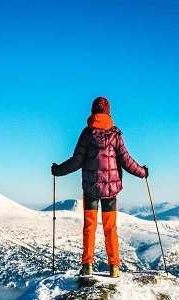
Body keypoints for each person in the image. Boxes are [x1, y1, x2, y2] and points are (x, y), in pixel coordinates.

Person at [51, 96, 148, 278]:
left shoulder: (86, 134)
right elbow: (127, 162)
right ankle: (114, 267)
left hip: (90, 189)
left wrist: (58, 170)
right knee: (110, 228)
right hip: (111, 191)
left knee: (89, 227)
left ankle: (87, 265)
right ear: (108, 112)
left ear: (93, 112)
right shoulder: (115, 136)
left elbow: (76, 161)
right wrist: (142, 172)